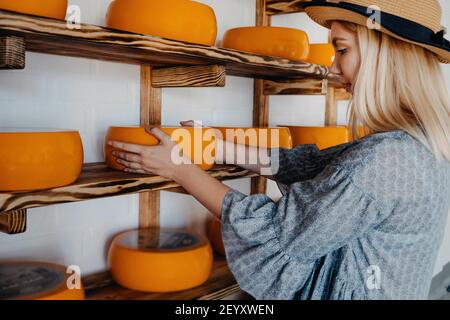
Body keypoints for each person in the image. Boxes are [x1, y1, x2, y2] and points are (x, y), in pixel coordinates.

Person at [108, 0, 450, 299]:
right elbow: (316, 169)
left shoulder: (386, 158)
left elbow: (276, 233)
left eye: (342, 49)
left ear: (384, 55)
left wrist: (180, 168)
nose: (332, 67)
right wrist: (219, 148)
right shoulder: (419, 143)